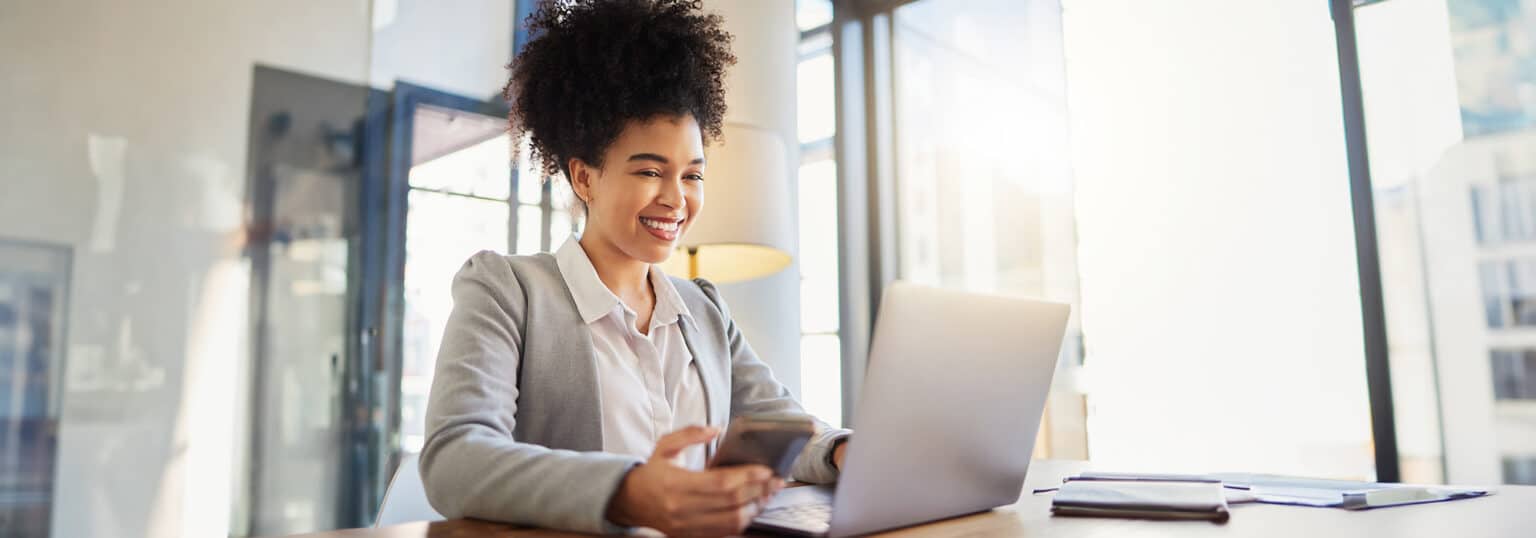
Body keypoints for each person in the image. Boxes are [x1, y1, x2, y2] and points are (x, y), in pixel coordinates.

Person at [418, 1, 851, 535]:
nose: (676, 199)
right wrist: (629, 493)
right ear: (584, 178)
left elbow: (784, 426)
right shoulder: (507, 291)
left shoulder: (703, 309)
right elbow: (455, 461)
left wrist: (842, 452)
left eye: (692, 176)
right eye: (650, 170)